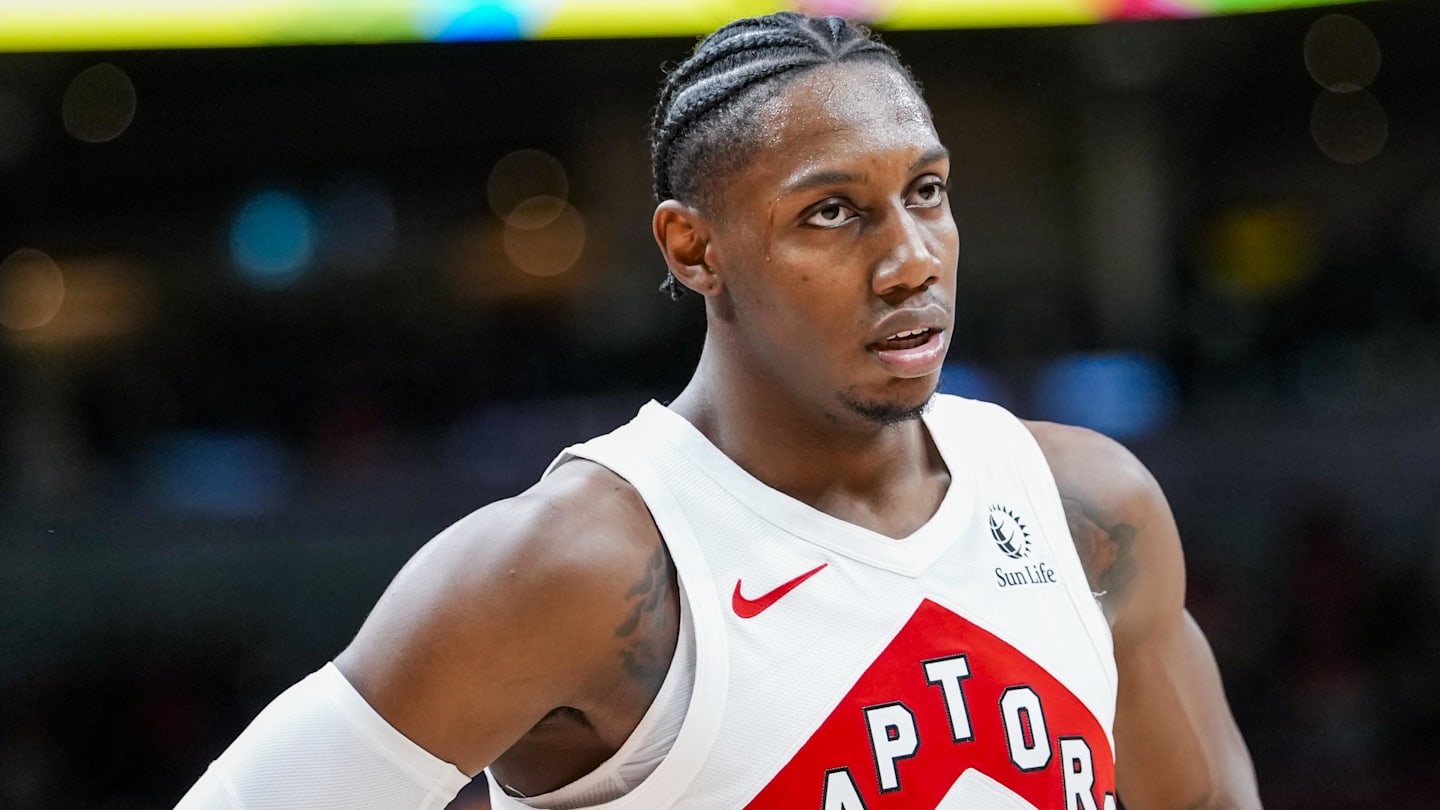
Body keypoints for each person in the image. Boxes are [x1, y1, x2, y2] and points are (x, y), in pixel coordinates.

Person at [177, 11, 1261, 810]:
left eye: (925, 193)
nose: (910, 260)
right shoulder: (574, 565)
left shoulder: (1087, 505)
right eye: (833, 213)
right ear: (693, 249)